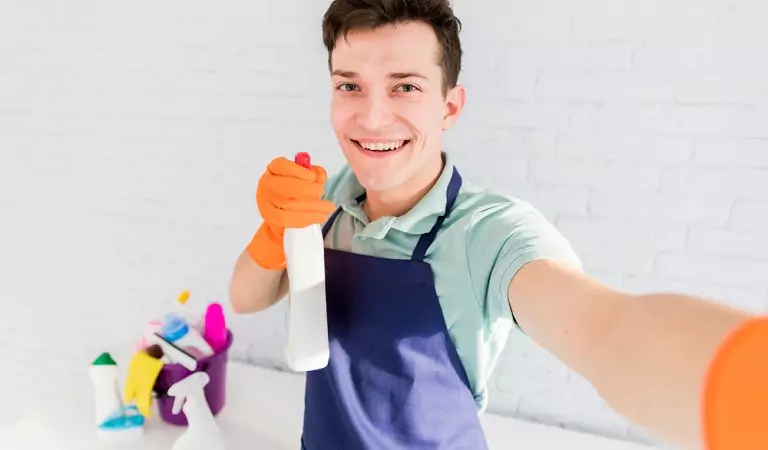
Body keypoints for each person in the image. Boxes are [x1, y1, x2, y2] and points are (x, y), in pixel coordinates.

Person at [228, 1, 764, 449]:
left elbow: (605, 330)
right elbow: (246, 299)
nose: (371, 118)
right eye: (350, 86)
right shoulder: (322, 200)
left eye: (405, 87)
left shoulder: (489, 233)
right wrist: (275, 232)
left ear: (449, 107)